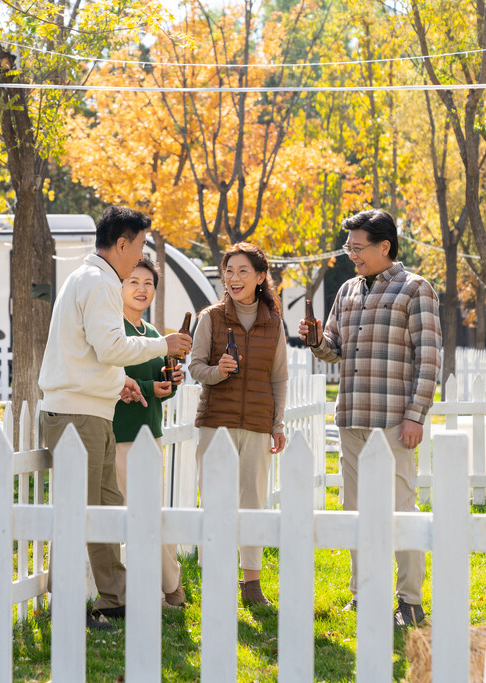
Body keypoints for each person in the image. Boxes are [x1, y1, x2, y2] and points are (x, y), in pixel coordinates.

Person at [38, 205, 193, 630]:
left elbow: (90, 352)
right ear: (122, 244)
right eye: (141, 244)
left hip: (90, 409)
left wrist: (115, 383)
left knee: (105, 508)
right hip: (76, 415)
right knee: (82, 512)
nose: (142, 253)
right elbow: (109, 347)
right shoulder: (101, 282)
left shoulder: (91, 278)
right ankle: (68, 605)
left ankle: (116, 598)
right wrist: (164, 344)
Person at [299, 208, 441, 628]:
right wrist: (315, 340)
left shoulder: (416, 289)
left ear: (385, 246)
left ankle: (410, 601)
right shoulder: (346, 291)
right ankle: (365, 595)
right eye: (349, 247)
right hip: (352, 416)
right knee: (356, 509)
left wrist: (415, 416)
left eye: (358, 247)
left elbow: (429, 358)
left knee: (400, 510)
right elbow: (334, 348)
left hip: (396, 421)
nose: (352, 254)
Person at [189, 242, 288, 607]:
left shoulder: (273, 323)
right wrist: (218, 372)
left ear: (261, 277)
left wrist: (277, 424)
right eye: (228, 271)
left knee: (252, 504)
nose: (233, 278)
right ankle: (216, 576)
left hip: (259, 425)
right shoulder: (211, 318)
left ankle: (251, 583)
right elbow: (195, 366)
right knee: (215, 503)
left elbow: (279, 379)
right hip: (216, 422)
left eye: (243, 271)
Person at [112, 257, 187, 609]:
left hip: (151, 434)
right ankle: (154, 589)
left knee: (152, 512)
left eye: (148, 284)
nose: (142, 289)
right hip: (120, 434)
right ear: (120, 287)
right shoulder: (112, 330)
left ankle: (171, 585)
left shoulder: (154, 334)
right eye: (133, 282)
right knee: (131, 514)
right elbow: (108, 379)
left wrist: (170, 383)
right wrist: (146, 384)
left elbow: (164, 384)